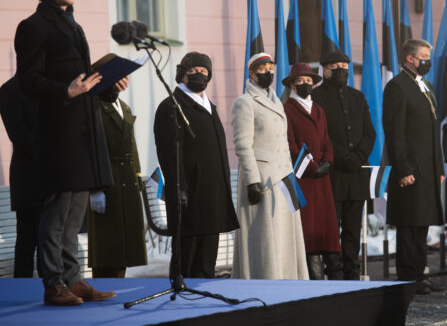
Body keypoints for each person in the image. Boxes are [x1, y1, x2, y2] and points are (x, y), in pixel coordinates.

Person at [14, 0, 117, 305]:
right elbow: (27, 80)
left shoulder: (72, 25)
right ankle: (53, 284)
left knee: (75, 214)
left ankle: (74, 279)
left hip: (82, 131)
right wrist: (64, 92)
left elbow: (82, 80)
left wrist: (110, 86)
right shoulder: (33, 26)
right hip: (58, 133)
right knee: (57, 214)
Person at [154, 52, 239, 279]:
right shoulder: (171, 107)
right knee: (188, 249)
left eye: (204, 72)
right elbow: (169, 153)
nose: (199, 76)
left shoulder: (209, 107)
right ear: (182, 76)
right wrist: (178, 186)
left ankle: (206, 286)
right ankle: (182, 289)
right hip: (189, 189)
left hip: (212, 190)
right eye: (193, 72)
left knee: (208, 248)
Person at [231, 52, 308, 280]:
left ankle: (290, 278)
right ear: (252, 73)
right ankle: (265, 279)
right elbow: (243, 145)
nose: (268, 72)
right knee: (266, 234)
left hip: (285, 175)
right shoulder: (244, 103)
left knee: (289, 234)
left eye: (270, 68)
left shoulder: (277, 101)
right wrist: (253, 181)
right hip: (264, 178)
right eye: (262, 68)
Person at [382, 38, 445, 295]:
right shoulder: (397, 87)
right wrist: (403, 168)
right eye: (424, 56)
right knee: (409, 224)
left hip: (428, 167)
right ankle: (409, 277)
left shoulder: (424, 85)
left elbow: (432, 131)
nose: (427, 61)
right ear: (410, 58)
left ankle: (420, 274)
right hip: (411, 167)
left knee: (422, 223)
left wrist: (439, 167)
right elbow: (395, 132)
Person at [311, 51, 376, 280]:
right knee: (331, 227)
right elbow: (320, 134)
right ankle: (334, 272)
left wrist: (358, 156)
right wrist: (342, 157)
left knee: (352, 229)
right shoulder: (315, 96)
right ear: (325, 69)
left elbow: (370, 132)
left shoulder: (357, 96)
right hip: (332, 173)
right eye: (335, 66)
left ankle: (352, 271)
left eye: (344, 66)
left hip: (357, 173)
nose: (341, 70)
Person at [86, 56, 147, 278]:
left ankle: (116, 288)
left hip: (127, 181)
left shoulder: (123, 106)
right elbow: (88, 148)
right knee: (106, 247)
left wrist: (137, 177)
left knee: (124, 249)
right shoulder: (92, 107)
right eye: (120, 77)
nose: (124, 82)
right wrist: (95, 188)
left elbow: (132, 146)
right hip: (106, 181)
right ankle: (103, 289)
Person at [282, 63, 342, 280]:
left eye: (309, 81)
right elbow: (290, 144)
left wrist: (328, 161)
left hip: (322, 178)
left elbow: (326, 139)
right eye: (300, 81)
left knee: (326, 227)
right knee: (308, 228)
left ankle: (335, 275)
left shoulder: (318, 109)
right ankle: (311, 276)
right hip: (303, 177)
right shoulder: (287, 109)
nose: (305, 85)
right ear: (292, 84)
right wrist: (312, 167)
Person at [0, 76, 43, 277]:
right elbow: (17, 132)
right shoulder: (9, 90)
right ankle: (23, 290)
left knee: (49, 242)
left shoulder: (47, 86)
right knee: (27, 240)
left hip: (51, 178)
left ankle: (53, 287)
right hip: (28, 177)